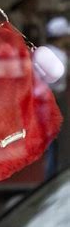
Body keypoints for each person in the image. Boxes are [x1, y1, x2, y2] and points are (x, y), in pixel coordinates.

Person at [44, 16, 70, 178]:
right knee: (57, 145)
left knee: (52, 145)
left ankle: (51, 177)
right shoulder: (59, 56)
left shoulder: (45, 51)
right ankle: (52, 179)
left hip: (47, 101)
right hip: (53, 101)